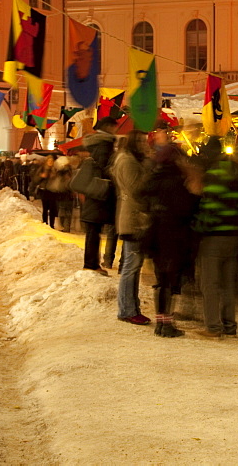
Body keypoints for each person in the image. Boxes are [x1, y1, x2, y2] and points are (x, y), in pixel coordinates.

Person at [139, 143, 200, 337]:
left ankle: (161, 322)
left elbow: (140, 194)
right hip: (173, 235)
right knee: (170, 280)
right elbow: (186, 208)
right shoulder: (177, 180)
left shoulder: (155, 176)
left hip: (156, 233)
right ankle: (166, 324)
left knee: (162, 280)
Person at [195, 141, 238, 338]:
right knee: (228, 285)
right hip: (233, 236)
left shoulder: (212, 176)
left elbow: (208, 210)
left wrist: (198, 229)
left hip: (213, 238)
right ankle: (230, 325)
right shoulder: (237, 174)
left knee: (210, 285)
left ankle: (213, 327)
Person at [111, 131, 151, 326]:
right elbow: (137, 190)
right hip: (133, 218)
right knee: (131, 266)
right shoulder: (128, 161)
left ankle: (131, 307)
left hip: (133, 217)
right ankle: (127, 309)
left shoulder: (129, 159)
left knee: (133, 266)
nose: (145, 144)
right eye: (142, 141)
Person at [80, 117, 119, 275]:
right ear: (108, 126)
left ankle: (91, 263)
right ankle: (91, 264)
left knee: (93, 230)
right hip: (100, 193)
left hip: (93, 192)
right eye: (114, 127)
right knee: (94, 230)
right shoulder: (105, 144)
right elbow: (105, 168)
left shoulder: (96, 144)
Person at [32, 156, 58, 229]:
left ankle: (52, 225)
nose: (50, 162)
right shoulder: (42, 168)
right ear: (46, 161)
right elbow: (35, 179)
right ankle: (45, 223)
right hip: (44, 190)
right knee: (45, 208)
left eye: (51, 161)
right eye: (49, 161)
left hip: (53, 190)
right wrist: (41, 176)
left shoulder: (55, 169)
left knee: (52, 208)